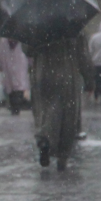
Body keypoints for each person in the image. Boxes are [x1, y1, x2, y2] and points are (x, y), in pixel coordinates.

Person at [25, 34, 93, 171]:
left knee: (44, 112)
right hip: (67, 76)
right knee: (67, 117)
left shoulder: (38, 24)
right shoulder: (74, 25)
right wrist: (89, 79)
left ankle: (44, 140)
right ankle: (63, 156)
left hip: (42, 75)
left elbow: (27, 50)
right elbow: (83, 56)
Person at [0, 37, 30, 115]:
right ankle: (15, 107)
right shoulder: (4, 42)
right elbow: (0, 55)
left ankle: (16, 107)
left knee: (18, 87)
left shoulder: (22, 41)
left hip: (19, 66)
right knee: (11, 88)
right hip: (9, 68)